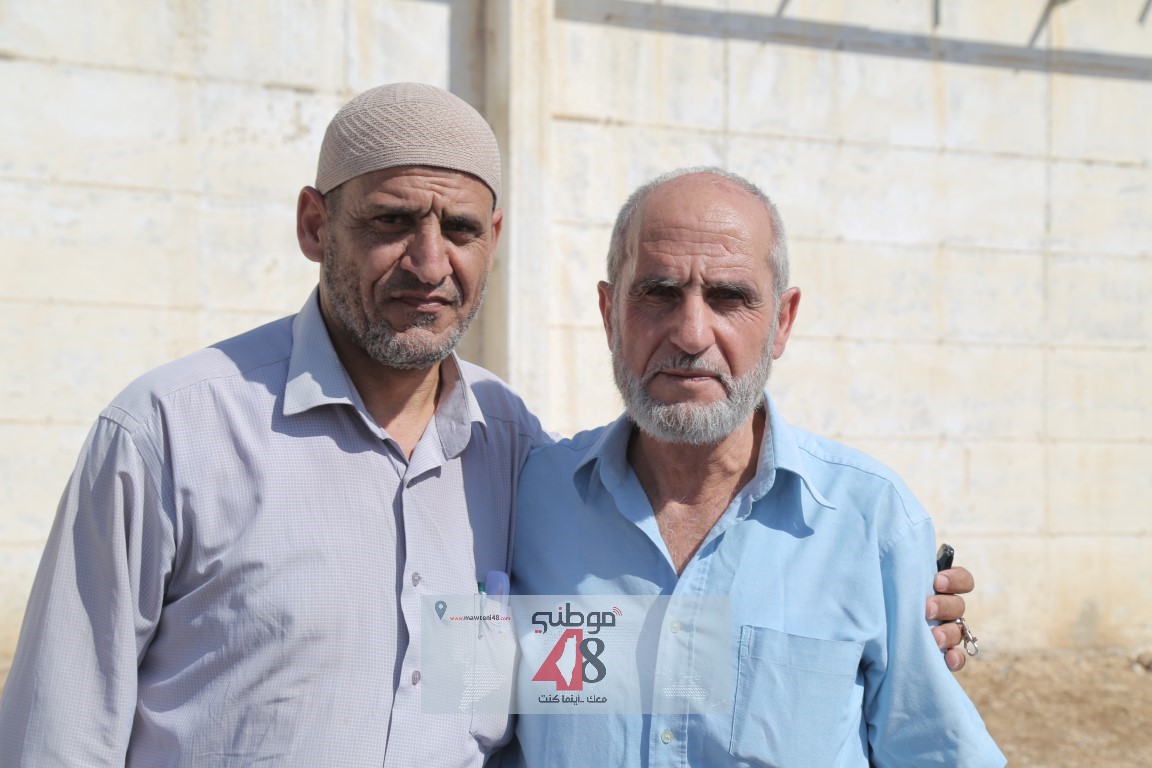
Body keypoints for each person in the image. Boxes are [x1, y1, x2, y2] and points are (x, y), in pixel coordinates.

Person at [0, 86, 977, 767]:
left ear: (493, 242)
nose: (429, 263)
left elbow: (594, 675)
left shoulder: (510, 453)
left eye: (460, 230)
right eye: (391, 222)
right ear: (314, 226)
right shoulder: (170, 434)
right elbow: (57, 734)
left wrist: (892, 616)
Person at [504, 168, 1005, 766]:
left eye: (729, 298)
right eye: (659, 293)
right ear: (609, 312)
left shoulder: (868, 523)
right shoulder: (528, 500)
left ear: (782, 323)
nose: (691, 334)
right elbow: (458, 715)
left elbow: (933, 752)